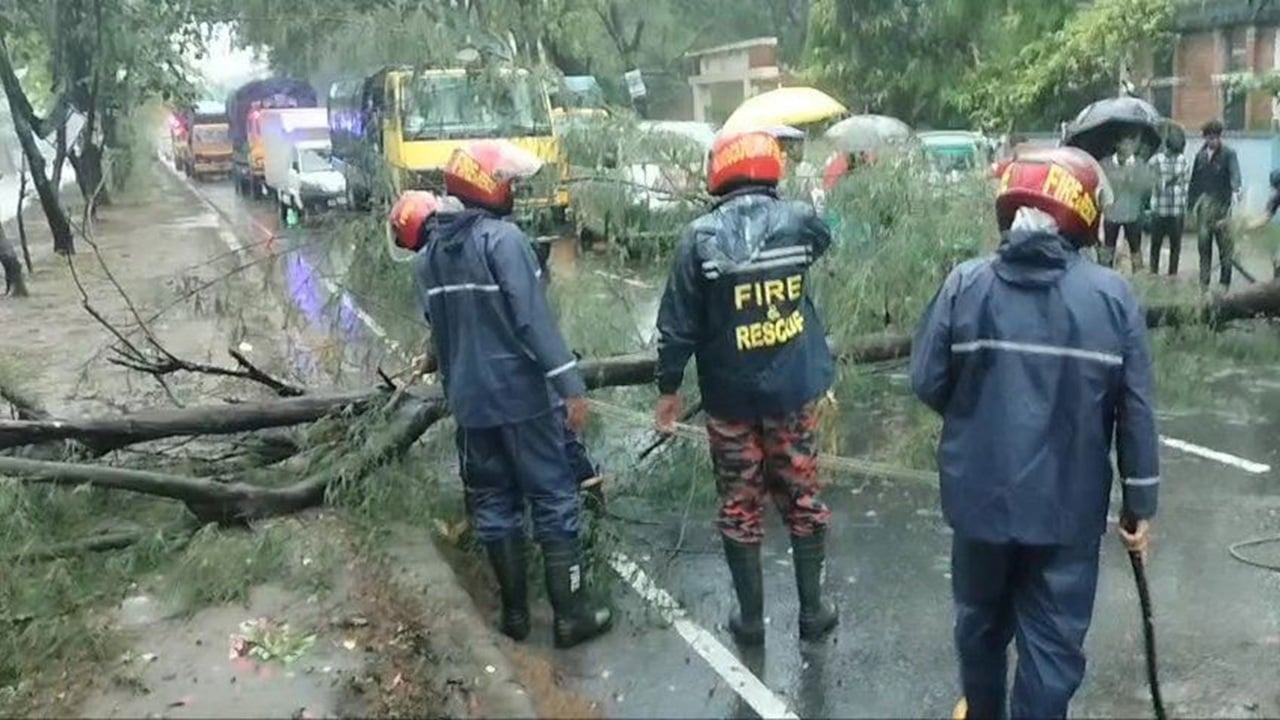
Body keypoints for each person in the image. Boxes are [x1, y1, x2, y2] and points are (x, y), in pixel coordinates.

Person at [909, 146, 1159, 720]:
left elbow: (927, 380)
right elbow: (1136, 411)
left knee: (979, 629)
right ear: (1082, 211)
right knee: (1052, 649)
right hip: (1067, 516)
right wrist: (1139, 502)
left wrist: (976, 416)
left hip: (979, 506)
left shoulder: (964, 285)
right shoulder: (1112, 298)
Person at [392, 140, 612, 649]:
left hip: (470, 405)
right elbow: (533, 322)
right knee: (554, 499)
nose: (513, 189)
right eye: (508, 181)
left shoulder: (428, 259)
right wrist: (570, 387)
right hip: (522, 399)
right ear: (487, 185)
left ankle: (514, 617)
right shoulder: (502, 240)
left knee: (494, 504)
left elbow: (440, 336)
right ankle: (571, 616)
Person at [654, 128, 838, 646]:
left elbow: (677, 324)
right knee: (802, 498)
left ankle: (750, 621)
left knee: (740, 505)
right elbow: (821, 244)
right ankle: (813, 613)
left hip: (729, 400)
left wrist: (669, 389)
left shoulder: (699, 238)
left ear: (721, 171)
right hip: (791, 392)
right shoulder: (801, 222)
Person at [1188, 119, 1242, 290]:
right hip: (1204, 210)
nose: (1212, 141)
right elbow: (1194, 183)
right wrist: (1190, 206)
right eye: (1209, 138)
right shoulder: (1200, 156)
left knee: (1225, 249)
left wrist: (1236, 189)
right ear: (1204, 138)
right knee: (1204, 248)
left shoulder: (1229, 154)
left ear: (1219, 137)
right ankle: (1204, 284)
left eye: (1215, 137)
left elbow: (1235, 174)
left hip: (1222, 209)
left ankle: (1224, 284)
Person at [1100, 134, 1153, 270]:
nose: (1127, 148)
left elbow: (1146, 189)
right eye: (1123, 144)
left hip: (1133, 213)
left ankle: (1139, 279)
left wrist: (1134, 178)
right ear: (1117, 145)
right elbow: (1102, 186)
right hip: (1112, 213)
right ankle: (1106, 275)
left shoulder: (1140, 164)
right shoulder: (1105, 164)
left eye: (1130, 144)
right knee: (1108, 248)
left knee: (1135, 249)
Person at [1147, 128, 1190, 276]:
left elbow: (1185, 185)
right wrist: (1171, 181)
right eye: (1174, 151)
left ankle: (1172, 275)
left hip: (1177, 210)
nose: (1176, 155)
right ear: (1167, 147)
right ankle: (1153, 274)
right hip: (1159, 209)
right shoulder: (1155, 161)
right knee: (1156, 245)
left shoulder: (1183, 161)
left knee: (1175, 246)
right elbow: (1157, 185)